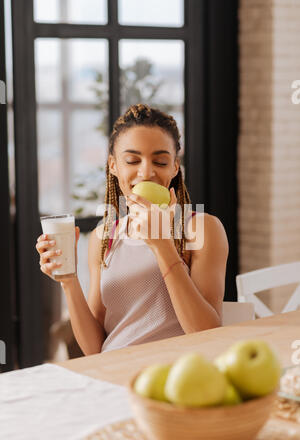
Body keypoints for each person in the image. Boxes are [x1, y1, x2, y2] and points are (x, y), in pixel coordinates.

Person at [36, 104, 229, 356]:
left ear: (174, 167)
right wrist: (69, 280)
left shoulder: (201, 228)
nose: (146, 172)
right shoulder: (104, 237)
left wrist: (162, 245)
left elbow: (207, 334)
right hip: (112, 372)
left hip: (173, 377)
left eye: (160, 161)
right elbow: (95, 348)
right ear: (113, 166)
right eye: (132, 160)